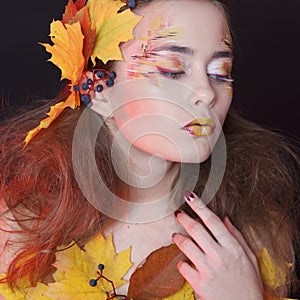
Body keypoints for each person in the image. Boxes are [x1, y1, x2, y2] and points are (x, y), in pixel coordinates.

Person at [0, 0, 299, 299]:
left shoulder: (261, 235)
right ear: (99, 92)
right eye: (171, 70)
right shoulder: (17, 233)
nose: (207, 93)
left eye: (220, 72)